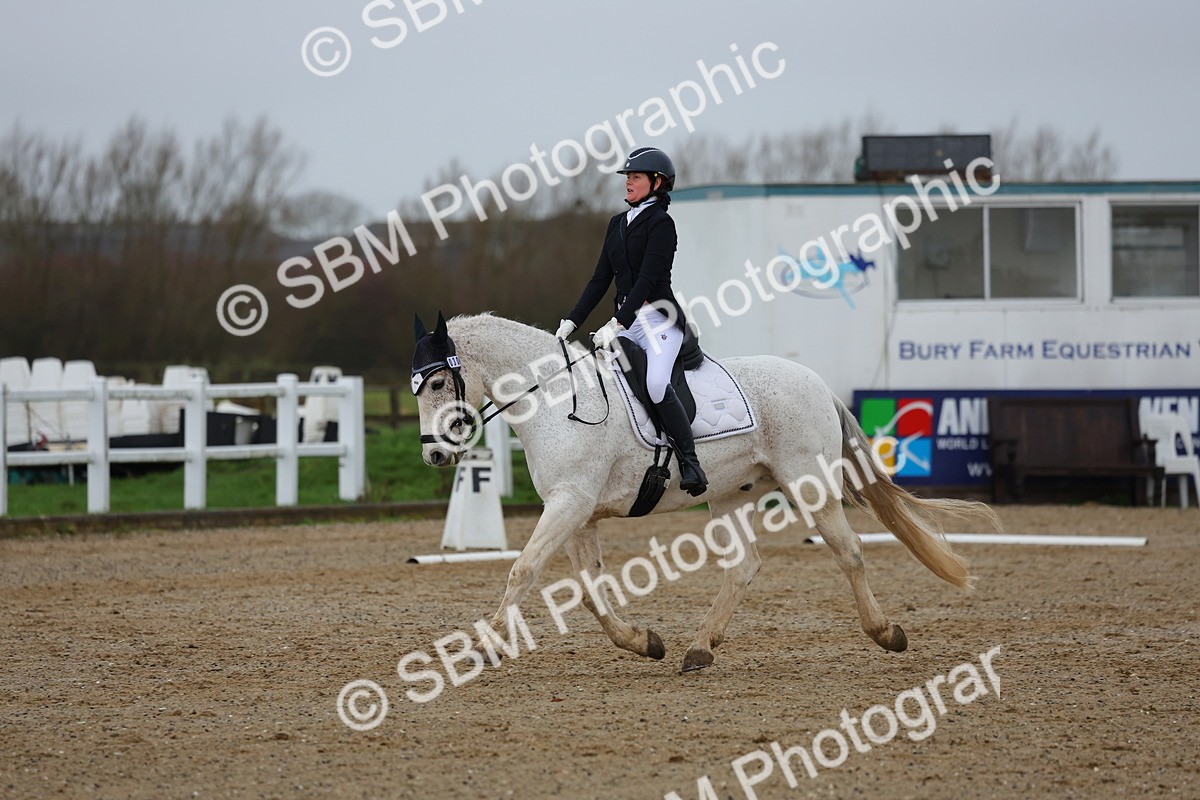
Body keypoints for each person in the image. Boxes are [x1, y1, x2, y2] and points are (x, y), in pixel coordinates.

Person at [555, 147, 708, 497]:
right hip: (626, 320)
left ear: (657, 182)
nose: (628, 182)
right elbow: (599, 280)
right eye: (627, 177)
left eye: (635, 177)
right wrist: (571, 320)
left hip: (659, 318)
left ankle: (690, 462)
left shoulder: (661, 224)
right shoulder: (617, 223)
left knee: (655, 385)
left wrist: (616, 322)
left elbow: (647, 280)